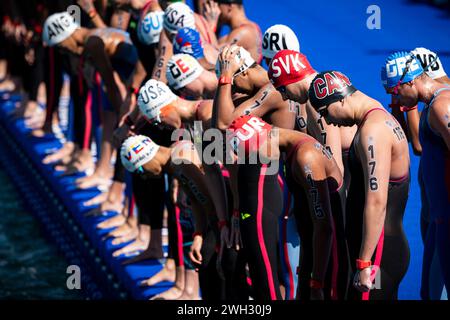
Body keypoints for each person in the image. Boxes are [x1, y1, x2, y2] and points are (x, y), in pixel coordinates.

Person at [308, 70, 411, 300]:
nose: (327, 121)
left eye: (325, 111)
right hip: (380, 249)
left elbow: (377, 202)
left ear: (341, 98)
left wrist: (364, 262)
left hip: (378, 256)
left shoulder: (372, 132)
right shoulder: (374, 116)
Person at [228, 114, 350, 300]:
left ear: (264, 138)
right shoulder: (290, 146)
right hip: (315, 254)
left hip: (329, 260)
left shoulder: (306, 156)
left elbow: (325, 228)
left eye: (255, 153)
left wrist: (317, 281)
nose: (260, 159)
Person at [42, 11, 147, 190]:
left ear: (67, 36)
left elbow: (111, 84)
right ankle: (104, 170)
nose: (64, 51)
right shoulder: (92, 35)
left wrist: (124, 119)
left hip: (139, 76)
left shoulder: (92, 43)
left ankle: (117, 187)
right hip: (133, 72)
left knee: (124, 128)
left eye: (61, 47)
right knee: (110, 116)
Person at [381, 51, 450, 299]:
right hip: (439, 218)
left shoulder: (441, 105)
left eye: (396, 92)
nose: (396, 100)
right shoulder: (429, 105)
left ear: (410, 81)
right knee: (430, 293)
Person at [267, 49, 357, 189]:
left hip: (351, 176)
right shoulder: (321, 85)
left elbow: (335, 170)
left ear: (293, 78)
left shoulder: (316, 102)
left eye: (282, 90)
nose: (284, 97)